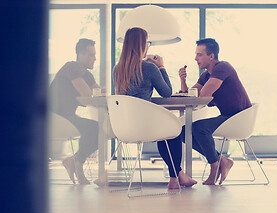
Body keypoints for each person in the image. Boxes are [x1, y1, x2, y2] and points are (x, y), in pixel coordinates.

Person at [94, 27, 197, 188]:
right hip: (144, 126)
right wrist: (161, 67)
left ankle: (180, 176)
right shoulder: (149, 68)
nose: (148, 46)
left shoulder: (117, 69)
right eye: (147, 42)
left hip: (123, 127)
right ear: (143, 45)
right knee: (173, 130)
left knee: (167, 129)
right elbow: (166, 92)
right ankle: (174, 178)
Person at [177, 38, 252, 185]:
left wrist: (196, 92)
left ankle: (214, 166)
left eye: (199, 54)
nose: (195, 58)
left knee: (200, 128)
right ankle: (221, 160)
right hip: (227, 117)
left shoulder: (222, 67)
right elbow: (191, 98)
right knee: (184, 132)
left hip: (239, 118)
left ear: (211, 56)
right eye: (195, 54)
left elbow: (203, 96)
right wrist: (183, 80)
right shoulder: (206, 75)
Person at [50, 38, 103, 184]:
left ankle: (74, 161)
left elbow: (100, 92)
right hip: (54, 117)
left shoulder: (87, 75)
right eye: (91, 55)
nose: (94, 58)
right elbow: (87, 94)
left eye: (94, 54)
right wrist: (97, 92)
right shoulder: (71, 67)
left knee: (100, 130)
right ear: (80, 55)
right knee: (94, 128)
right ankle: (77, 163)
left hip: (68, 116)